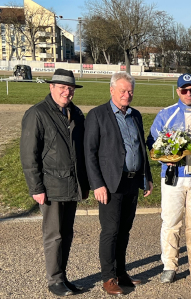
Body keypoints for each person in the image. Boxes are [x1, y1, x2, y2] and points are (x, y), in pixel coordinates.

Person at [20, 69, 89, 297]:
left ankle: (62, 276)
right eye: (62, 87)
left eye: (70, 88)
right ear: (51, 87)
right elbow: (29, 155)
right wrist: (36, 188)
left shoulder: (76, 114)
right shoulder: (37, 114)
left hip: (72, 184)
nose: (67, 92)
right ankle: (54, 280)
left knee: (67, 234)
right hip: (50, 186)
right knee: (54, 235)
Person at [147, 73, 191, 284]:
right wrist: (164, 159)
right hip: (173, 177)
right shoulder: (165, 114)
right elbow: (152, 142)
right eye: (185, 90)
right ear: (178, 91)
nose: (189, 94)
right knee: (170, 223)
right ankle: (169, 266)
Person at [85, 72, 154, 296]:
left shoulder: (135, 115)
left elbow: (140, 149)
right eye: (123, 91)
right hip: (110, 183)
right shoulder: (97, 115)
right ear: (112, 90)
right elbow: (90, 153)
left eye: (130, 91)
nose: (127, 95)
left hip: (132, 181)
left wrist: (147, 177)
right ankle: (108, 278)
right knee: (110, 231)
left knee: (125, 230)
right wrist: (97, 184)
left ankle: (122, 273)